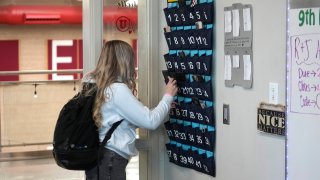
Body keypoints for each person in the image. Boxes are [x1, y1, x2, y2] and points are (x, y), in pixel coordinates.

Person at [83, 40, 178, 180]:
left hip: (97, 157)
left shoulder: (94, 83)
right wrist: (168, 96)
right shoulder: (117, 90)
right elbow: (150, 121)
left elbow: (129, 117)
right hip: (110, 160)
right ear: (123, 60)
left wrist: (164, 108)